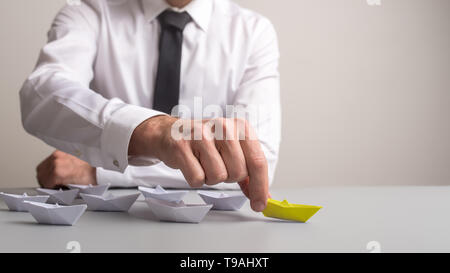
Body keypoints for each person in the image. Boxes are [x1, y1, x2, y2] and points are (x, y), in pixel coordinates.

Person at [20, 0, 281, 212]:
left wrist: (97, 170)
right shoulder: (88, 11)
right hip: (107, 219)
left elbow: (254, 165)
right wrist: (153, 131)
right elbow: (42, 92)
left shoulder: (253, 31)